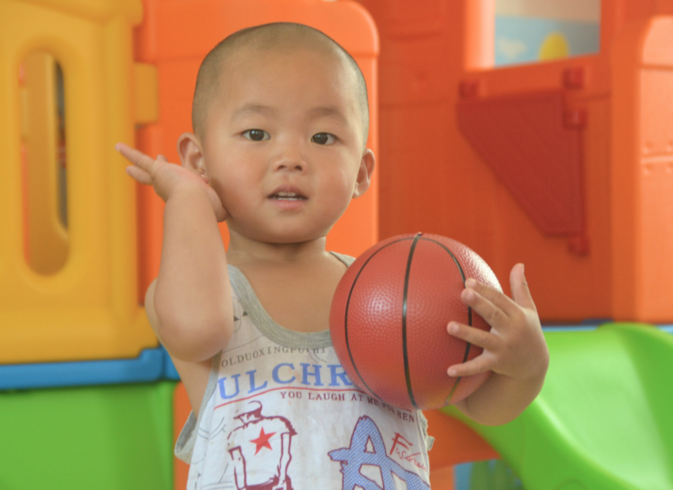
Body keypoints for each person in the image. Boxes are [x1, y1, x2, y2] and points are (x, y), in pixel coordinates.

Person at [116, 22, 549, 490]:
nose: (290, 157)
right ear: (199, 163)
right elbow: (198, 331)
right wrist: (187, 200)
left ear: (361, 173)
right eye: (257, 132)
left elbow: (481, 406)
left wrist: (525, 365)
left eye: (322, 138)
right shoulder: (200, 291)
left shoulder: (390, 296)